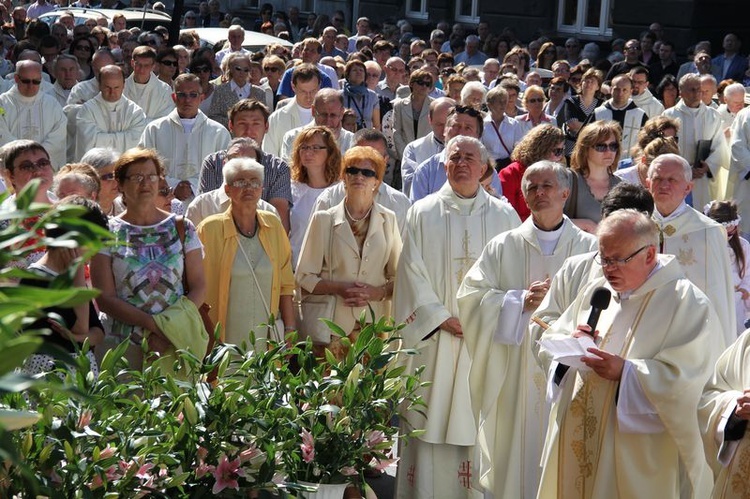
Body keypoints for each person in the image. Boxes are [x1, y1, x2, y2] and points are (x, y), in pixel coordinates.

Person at [534, 209, 719, 499]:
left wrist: (628, 373)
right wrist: (571, 345)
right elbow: (551, 340)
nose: (608, 269)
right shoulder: (597, 290)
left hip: (635, 452)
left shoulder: (687, 302)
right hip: (578, 434)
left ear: (649, 255)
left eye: (618, 259)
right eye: (603, 258)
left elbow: (691, 382)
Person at [457, 161, 596, 499]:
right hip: (514, 367)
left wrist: (557, 307)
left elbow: (602, 305)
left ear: (565, 193)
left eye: (547, 186)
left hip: (568, 369)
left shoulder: (589, 249)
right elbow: (471, 297)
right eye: (531, 187)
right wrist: (518, 301)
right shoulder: (503, 246)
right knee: (516, 451)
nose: (539, 193)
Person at [393, 135, 520, 499]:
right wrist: (441, 318)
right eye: (454, 157)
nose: (462, 163)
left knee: (483, 421)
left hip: (485, 340)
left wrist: (487, 318)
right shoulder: (422, 211)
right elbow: (410, 275)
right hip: (436, 341)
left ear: (484, 168)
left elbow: (515, 276)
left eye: (470, 158)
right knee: (428, 421)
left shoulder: (504, 215)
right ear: (442, 166)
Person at [90, 147, 207, 370]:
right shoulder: (104, 231)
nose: (146, 183)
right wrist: (155, 327)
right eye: (137, 177)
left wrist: (170, 330)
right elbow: (104, 298)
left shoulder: (182, 227)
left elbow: (199, 287)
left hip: (174, 343)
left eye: (152, 176)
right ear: (120, 184)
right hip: (122, 346)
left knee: (175, 405)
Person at [296, 146, 401, 359]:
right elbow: (303, 277)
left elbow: (400, 277)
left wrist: (377, 293)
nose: (359, 176)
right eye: (352, 171)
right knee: (332, 392)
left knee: (369, 392)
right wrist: (339, 288)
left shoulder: (388, 219)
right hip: (331, 329)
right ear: (344, 177)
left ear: (377, 183)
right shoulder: (323, 219)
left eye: (368, 172)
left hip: (373, 328)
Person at [197, 157, 294, 348]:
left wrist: (290, 329)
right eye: (240, 182)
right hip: (223, 335)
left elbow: (286, 283)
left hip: (265, 336)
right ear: (227, 189)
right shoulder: (209, 229)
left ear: (262, 189)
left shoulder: (273, 224)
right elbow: (195, 286)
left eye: (255, 182)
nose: (248, 188)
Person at [647, 153, 736, 346]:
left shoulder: (708, 232)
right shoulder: (635, 227)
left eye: (672, 180)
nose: (664, 185)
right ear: (647, 183)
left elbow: (718, 296)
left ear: (688, 188)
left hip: (690, 335)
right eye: (658, 179)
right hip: (644, 327)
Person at [19, 196, 107, 378]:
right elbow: (82, 327)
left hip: (80, 373)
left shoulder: (74, 278)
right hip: (50, 378)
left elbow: (97, 332)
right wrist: (77, 274)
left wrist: (78, 339)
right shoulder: (36, 280)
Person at [139, 73, 231, 199]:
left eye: (193, 95)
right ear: (173, 97)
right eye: (182, 95)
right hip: (163, 198)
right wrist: (174, 185)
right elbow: (143, 166)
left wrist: (192, 186)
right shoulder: (154, 129)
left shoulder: (218, 132)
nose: (187, 100)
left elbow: (225, 171)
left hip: (205, 201)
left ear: (202, 97)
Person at [663, 74, 728, 209]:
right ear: (681, 92)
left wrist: (708, 165)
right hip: (677, 177)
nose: (697, 93)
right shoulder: (669, 116)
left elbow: (719, 145)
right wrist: (685, 170)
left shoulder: (713, 115)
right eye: (692, 90)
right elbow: (664, 148)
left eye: (699, 89)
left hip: (702, 177)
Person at [288, 126, 341, 264]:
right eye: (304, 147)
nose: (308, 153)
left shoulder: (341, 190)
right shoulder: (290, 189)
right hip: (296, 267)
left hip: (330, 271)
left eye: (316, 148)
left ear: (330, 152)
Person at [0, 61, 67, 168]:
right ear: (16, 79)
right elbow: (2, 134)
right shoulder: (2, 103)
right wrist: (23, 156)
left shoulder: (52, 104)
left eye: (36, 81)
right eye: (26, 81)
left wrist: (38, 156)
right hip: (13, 167)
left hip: (44, 165)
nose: (31, 86)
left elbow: (58, 135)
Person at [75, 65, 147, 161]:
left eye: (116, 87)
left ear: (124, 85)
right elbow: (87, 141)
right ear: (99, 85)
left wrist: (101, 137)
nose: (112, 92)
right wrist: (124, 136)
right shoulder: (87, 110)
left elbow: (137, 143)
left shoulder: (135, 112)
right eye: (107, 87)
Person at [564, 121, 623, 233]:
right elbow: (549, 220)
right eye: (601, 146)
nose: (608, 151)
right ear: (585, 149)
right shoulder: (568, 179)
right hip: (577, 249)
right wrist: (586, 225)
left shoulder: (621, 185)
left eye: (613, 146)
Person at [500, 124, 565, 220]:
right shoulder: (510, 173)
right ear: (542, 150)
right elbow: (507, 215)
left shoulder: (557, 174)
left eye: (563, 151)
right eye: (558, 151)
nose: (561, 157)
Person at [705, 200, 750, 337]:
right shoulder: (704, 246)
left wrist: (745, 289)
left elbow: (748, 273)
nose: (727, 238)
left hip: (736, 301)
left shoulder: (742, 246)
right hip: (712, 301)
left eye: (731, 234)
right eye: (723, 234)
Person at [263, 63, 321, 158]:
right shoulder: (276, 118)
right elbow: (269, 155)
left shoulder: (326, 117)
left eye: (313, 91)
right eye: (303, 91)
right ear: (293, 87)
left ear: (319, 87)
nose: (309, 97)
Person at [280, 89, 355, 162]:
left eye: (333, 115)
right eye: (323, 115)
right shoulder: (293, 138)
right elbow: (290, 172)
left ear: (341, 113)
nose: (328, 121)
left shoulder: (353, 142)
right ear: (313, 111)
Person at [401, 97, 455, 196]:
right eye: (439, 124)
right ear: (430, 120)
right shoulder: (414, 149)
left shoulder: (472, 149)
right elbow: (411, 188)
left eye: (449, 124)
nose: (444, 131)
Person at [593, 74, 647, 160]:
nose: (620, 93)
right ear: (611, 90)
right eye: (617, 89)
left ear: (631, 91)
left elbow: (646, 142)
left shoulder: (640, 115)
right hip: (601, 161)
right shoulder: (598, 113)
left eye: (624, 90)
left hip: (629, 163)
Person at [207, 52, 266, 130]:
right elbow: (213, 117)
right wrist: (235, 122)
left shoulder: (259, 92)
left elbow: (263, 118)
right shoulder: (220, 90)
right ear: (231, 69)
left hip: (252, 137)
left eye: (246, 69)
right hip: (228, 137)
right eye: (238, 69)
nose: (242, 72)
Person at [557, 68, 604, 158]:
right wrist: (595, 129)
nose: (589, 83)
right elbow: (572, 124)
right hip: (572, 147)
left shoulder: (601, 104)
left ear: (598, 87)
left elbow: (603, 126)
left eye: (592, 81)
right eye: (586, 80)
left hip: (593, 148)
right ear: (581, 83)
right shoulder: (572, 101)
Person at [123, 46, 174, 122]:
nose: (142, 69)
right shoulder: (121, 87)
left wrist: (136, 124)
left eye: (146, 65)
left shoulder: (164, 90)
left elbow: (165, 120)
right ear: (132, 63)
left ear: (153, 66)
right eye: (138, 64)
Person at [392, 69, 434, 157]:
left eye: (427, 84)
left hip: (428, 154)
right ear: (411, 83)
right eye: (420, 82)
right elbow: (397, 132)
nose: (424, 86)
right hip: (405, 153)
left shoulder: (435, 105)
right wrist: (405, 154)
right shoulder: (399, 105)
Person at [481, 86, 524, 169]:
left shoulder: (514, 124)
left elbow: (519, 148)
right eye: (499, 101)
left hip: (508, 166)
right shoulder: (482, 124)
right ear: (489, 104)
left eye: (505, 101)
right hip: (488, 166)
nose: (503, 104)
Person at [80, 147, 120, 217]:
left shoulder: (129, 209)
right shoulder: (78, 212)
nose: (116, 181)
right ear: (90, 179)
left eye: (118, 174)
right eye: (109, 176)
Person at [342, 60, 381, 131]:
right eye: (354, 70)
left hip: (366, 137)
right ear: (348, 75)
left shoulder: (372, 96)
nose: (358, 72)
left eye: (361, 70)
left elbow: (376, 125)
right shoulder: (340, 96)